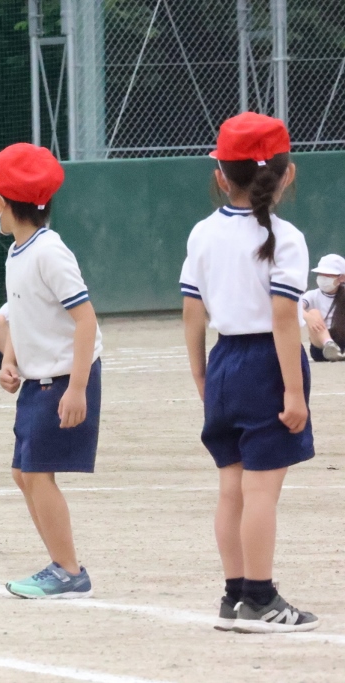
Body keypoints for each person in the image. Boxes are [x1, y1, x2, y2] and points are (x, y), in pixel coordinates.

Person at [181, 112, 318, 632]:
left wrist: (200, 375)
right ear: (287, 173)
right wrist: (293, 391)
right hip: (266, 365)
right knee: (262, 492)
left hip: (224, 361)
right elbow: (284, 319)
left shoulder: (202, 232)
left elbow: (192, 309)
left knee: (231, 488)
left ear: (221, 173)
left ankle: (234, 594)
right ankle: (260, 599)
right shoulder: (286, 236)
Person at [0, 143, 102, 599]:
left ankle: (69, 571)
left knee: (36, 473)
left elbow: (85, 319)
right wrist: (9, 360)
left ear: (5, 201)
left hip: (64, 380)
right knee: (23, 473)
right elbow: (22, 316)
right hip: (37, 379)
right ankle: (62, 565)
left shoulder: (50, 252)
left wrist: (79, 389)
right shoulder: (17, 252)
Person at [299, 253, 345, 362]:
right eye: (321, 274)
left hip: (342, 338)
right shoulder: (312, 295)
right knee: (314, 312)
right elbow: (296, 308)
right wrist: (308, 318)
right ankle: (330, 345)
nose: (323, 278)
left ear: (341, 278)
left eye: (329, 275)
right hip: (321, 347)